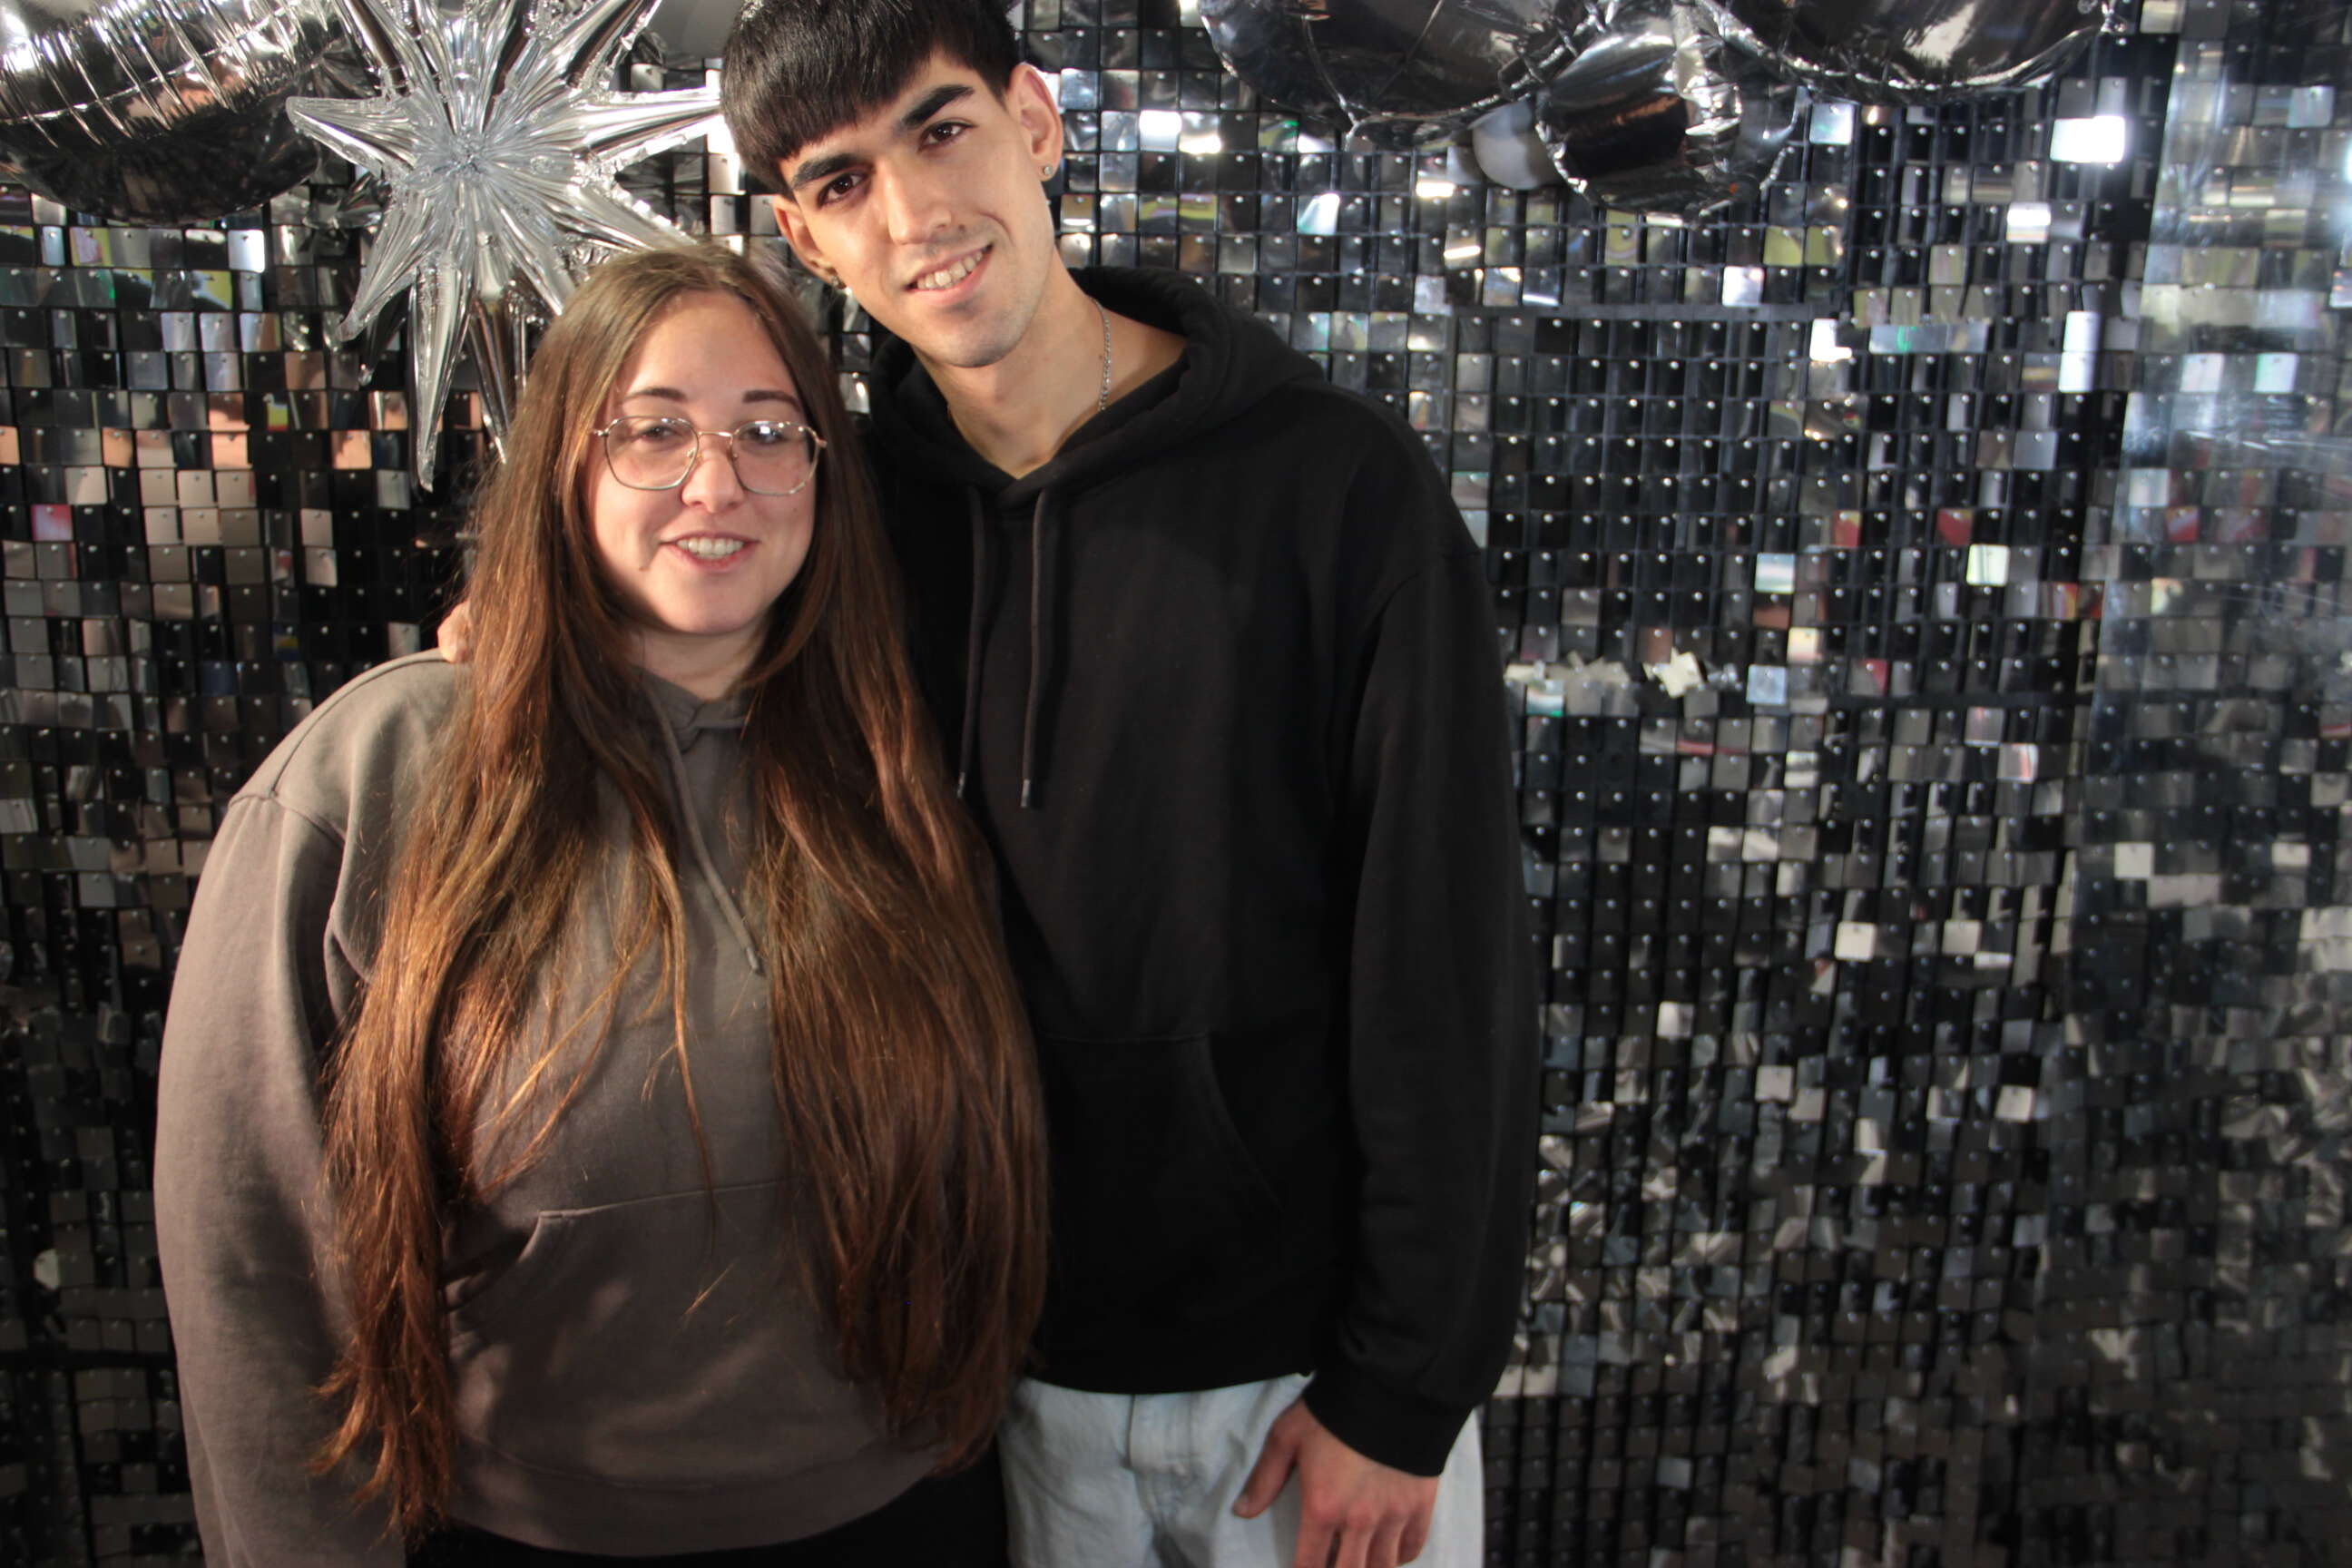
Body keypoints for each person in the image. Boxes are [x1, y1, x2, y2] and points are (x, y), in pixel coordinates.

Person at [153, 241, 1048, 1566]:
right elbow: (254, 1262)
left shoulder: (891, 764)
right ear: (564, 467)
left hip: (909, 1518)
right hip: (527, 1534)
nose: (716, 482)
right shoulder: (381, 772)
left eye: (767, 431)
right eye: (654, 430)